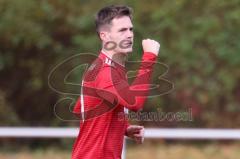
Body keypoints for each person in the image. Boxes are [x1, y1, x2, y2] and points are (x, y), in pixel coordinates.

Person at [72, 5, 160, 159]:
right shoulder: (104, 71)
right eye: (122, 30)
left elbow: (82, 109)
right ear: (104, 36)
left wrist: (124, 128)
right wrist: (150, 57)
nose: (129, 35)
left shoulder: (109, 68)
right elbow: (135, 103)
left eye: (130, 29)